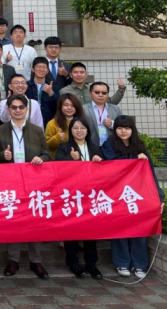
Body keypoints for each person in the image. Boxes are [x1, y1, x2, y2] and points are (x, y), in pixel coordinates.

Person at [101, 116, 165, 279]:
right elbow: (112, 164)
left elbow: (150, 173)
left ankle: (140, 264)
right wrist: (135, 159)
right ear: (115, 129)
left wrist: (159, 197)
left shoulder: (139, 145)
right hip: (116, 194)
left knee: (139, 228)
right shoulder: (108, 144)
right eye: (120, 128)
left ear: (132, 130)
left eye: (127, 128)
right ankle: (122, 262)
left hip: (137, 194)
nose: (123, 131)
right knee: (119, 228)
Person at [0, 95, 50, 279]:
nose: (17, 110)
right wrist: (2, 156)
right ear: (8, 109)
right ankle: (13, 260)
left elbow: (47, 153)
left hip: (33, 182)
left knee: (35, 220)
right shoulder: (0, 130)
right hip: (10, 183)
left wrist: (41, 158)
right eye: (14, 107)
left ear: (27, 109)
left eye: (21, 107)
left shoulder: (37, 130)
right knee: (13, 220)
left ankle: (36, 261)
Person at [55, 116, 104, 280]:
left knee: (91, 230)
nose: (79, 131)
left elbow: (105, 170)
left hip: (90, 195)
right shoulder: (64, 147)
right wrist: (71, 159)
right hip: (71, 194)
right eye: (75, 128)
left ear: (88, 131)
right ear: (71, 130)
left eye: (82, 128)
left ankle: (91, 264)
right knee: (71, 229)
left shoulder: (95, 147)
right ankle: (73, 263)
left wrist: (99, 161)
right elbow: (56, 168)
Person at [60, 62, 126, 106]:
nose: (79, 75)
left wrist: (121, 88)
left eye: (82, 72)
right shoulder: (64, 91)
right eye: (75, 72)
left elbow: (111, 102)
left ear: (86, 74)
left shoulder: (94, 89)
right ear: (71, 75)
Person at [84, 81, 123, 147]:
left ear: (107, 94)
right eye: (97, 92)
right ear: (90, 93)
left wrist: (112, 124)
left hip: (111, 146)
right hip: (90, 145)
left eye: (104, 93)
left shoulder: (116, 109)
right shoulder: (83, 109)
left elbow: (123, 126)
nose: (100, 95)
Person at [27, 57, 58, 127]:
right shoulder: (27, 86)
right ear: (33, 69)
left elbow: (57, 107)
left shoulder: (53, 87)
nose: (41, 69)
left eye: (44, 67)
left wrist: (51, 94)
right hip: (30, 122)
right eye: (38, 67)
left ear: (47, 70)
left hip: (47, 122)